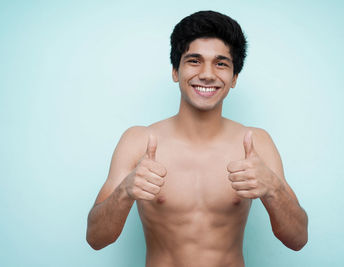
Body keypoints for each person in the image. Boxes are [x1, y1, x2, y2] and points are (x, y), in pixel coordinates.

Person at [86, 10, 308, 267]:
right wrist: (125, 191)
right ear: (175, 71)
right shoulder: (139, 141)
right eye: (194, 61)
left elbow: (298, 239)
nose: (207, 74)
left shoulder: (256, 142)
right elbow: (96, 238)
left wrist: (273, 188)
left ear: (234, 78)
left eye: (221, 63)